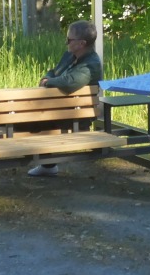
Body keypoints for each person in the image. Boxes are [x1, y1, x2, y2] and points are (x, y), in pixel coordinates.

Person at [26, 20, 104, 177]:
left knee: (21, 124)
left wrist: (48, 82)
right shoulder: (70, 56)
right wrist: (47, 79)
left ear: (81, 43)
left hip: (75, 117)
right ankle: (47, 165)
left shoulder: (91, 64)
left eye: (69, 40)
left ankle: (47, 165)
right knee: (20, 121)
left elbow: (69, 83)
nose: (66, 42)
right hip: (58, 111)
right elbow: (54, 72)